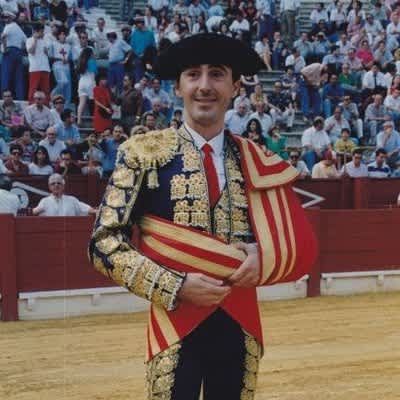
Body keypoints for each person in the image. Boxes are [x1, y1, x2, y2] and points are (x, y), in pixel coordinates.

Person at [88, 33, 317, 400]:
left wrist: (263, 257)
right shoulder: (143, 154)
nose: (205, 86)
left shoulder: (256, 160)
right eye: (193, 74)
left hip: (239, 322)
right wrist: (174, 286)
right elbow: (103, 242)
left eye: (217, 74)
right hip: (174, 319)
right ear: (178, 86)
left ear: (235, 87)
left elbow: (294, 242)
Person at [0, 11, 27, 100]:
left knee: (5, 75)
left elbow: (3, 37)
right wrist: (20, 49)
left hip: (9, 52)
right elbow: (25, 41)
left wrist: (5, 48)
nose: (5, 19)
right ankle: (20, 98)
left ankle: (4, 98)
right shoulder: (18, 28)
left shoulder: (9, 26)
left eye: (6, 17)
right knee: (18, 77)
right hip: (18, 52)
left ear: (11, 18)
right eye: (4, 17)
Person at [26, 24, 51, 104]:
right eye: (41, 32)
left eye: (43, 31)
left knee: (46, 90)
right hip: (35, 68)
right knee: (33, 89)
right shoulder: (29, 40)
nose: (43, 33)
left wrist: (47, 52)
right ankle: (31, 105)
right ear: (35, 31)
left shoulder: (45, 41)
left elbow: (48, 55)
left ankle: (46, 106)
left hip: (45, 68)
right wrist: (35, 40)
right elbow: (31, 51)